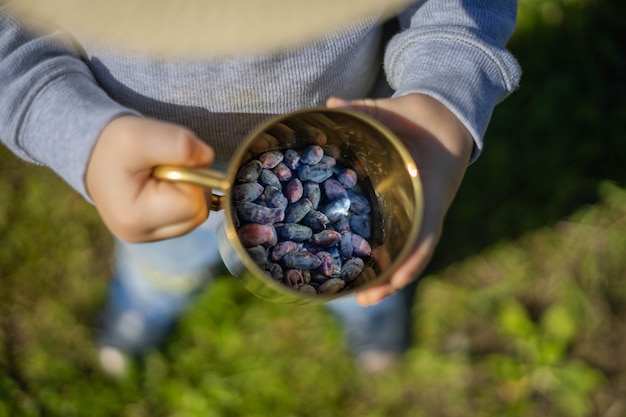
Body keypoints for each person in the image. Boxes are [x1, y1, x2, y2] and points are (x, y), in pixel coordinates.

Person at [0, 0, 521, 375]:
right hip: (160, 177)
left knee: (355, 268)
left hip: (352, 152)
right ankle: (152, 296)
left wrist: (443, 93)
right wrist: (83, 136)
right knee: (164, 257)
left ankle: (362, 306)